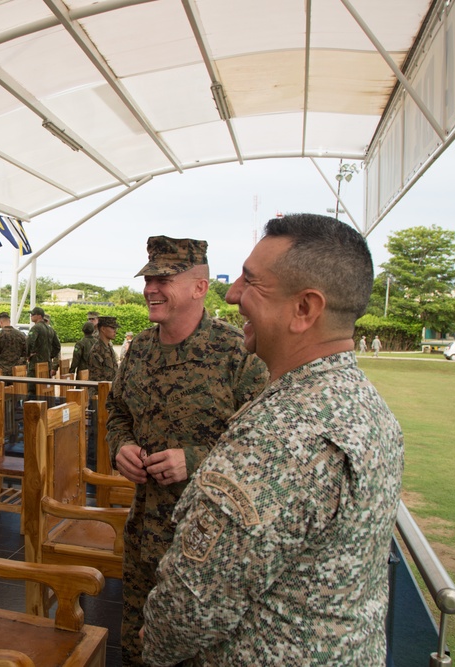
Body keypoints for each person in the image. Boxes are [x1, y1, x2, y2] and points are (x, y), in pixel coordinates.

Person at [141, 213, 404, 666]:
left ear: (305, 309)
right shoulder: (362, 404)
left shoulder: (280, 437)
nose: (232, 293)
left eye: (252, 282)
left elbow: (194, 607)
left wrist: (155, 641)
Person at [108, 236, 269, 665]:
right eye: (148, 279)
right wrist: (119, 446)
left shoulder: (239, 353)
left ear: (199, 288)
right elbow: (117, 412)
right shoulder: (139, 349)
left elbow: (261, 448)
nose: (150, 289)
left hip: (207, 545)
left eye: (163, 279)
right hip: (144, 531)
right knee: (139, 649)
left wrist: (193, 461)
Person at [87, 316, 119, 382]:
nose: (115, 331)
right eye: (112, 328)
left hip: (110, 388)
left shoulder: (109, 347)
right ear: (103, 329)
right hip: (100, 390)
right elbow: (97, 379)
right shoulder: (96, 350)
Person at [26, 306, 53, 377]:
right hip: (47, 363)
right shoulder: (50, 329)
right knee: (45, 386)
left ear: (39, 316)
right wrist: (49, 355)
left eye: (33, 314)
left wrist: (28, 355)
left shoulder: (36, 328)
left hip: (36, 363)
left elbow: (29, 342)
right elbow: (57, 346)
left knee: (32, 386)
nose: (31, 316)